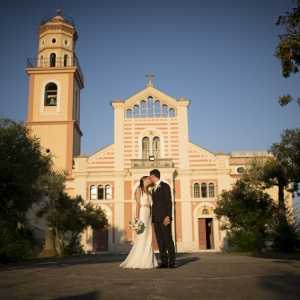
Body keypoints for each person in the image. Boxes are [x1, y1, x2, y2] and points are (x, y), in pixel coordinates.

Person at [120, 176, 158, 269]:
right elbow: (137, 205)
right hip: (142, 212)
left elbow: (151, 204)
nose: (150, 180)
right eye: (148, 179)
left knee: (148, 237)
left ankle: (148, 260)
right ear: (144, 180)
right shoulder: (138, 190)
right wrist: (137, 218)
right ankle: (139, 260)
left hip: (149, 213)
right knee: (142, 236)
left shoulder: (149, 191)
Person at [150, 169, 176, 268]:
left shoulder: (165, 186)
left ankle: (172, 262)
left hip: (165, 218)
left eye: (150, 177)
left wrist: (168, 216)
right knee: (160, 241)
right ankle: (164, 262)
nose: (150, 179)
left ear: (154, 176)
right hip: (156, 219)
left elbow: (168, 202)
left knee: (168, 240)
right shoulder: (153, 189)